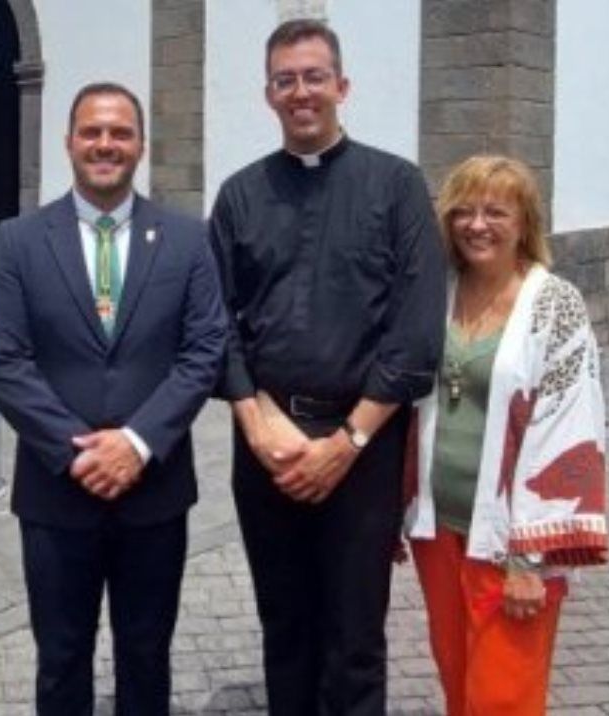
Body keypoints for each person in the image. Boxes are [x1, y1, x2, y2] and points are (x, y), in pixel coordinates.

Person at [208, 19, 447, 715]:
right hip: (266, 446)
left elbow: (414, 328)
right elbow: (215, 321)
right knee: (284, 627)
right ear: (267, 94)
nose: (300, 92)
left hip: (363, 448)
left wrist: (349, 443)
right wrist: (257, 423)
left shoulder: (397, 187)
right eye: (285, 80)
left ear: (341, 86)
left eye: (314, 77)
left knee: (353, 637)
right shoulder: (239, 195)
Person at [0, 82, 227, 715]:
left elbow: (203, 351)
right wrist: (81, 453)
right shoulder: (19, 239)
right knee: (61, 658)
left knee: (146, 655)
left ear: (141, 145)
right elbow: (5, 359)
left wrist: (139, 444)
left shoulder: (186, 238)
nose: (105, 145)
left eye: (120, 132)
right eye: (92, 132)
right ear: (68, 142)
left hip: (155, 490)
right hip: (58, 490)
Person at [403, 155, 609, 715]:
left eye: (495, 211)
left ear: (525, 222)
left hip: (510, 540)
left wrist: (532, 559)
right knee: (458, 679)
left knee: (504, 697)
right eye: (463, 211)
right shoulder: (436, 291)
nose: (477, 224)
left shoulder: (554, 305)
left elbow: (571, 427)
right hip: (438, 531)